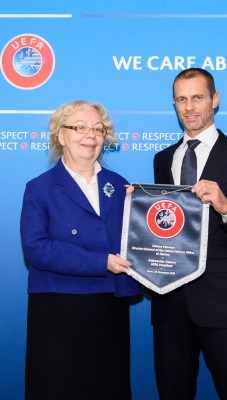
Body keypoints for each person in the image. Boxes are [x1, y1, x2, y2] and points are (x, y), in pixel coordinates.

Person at [152, 68, 227, 399]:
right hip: (170, 304)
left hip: (226, 305)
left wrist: (226, 206)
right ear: (174, 104)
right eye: (181, 99)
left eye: (197, 97)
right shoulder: (163, 158)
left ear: (214, 100)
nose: (189, 107)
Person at [20, 100, 142, 400]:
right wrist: (100, 261)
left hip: (108, 308)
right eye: (81, 127)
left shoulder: (120, 185)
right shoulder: (40, 188)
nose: (91, 135)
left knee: (108, 389)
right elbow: (36, 248)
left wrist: (146, 206)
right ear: (60, 136)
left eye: (98, 129)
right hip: (58, 309)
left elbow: (137, 240)